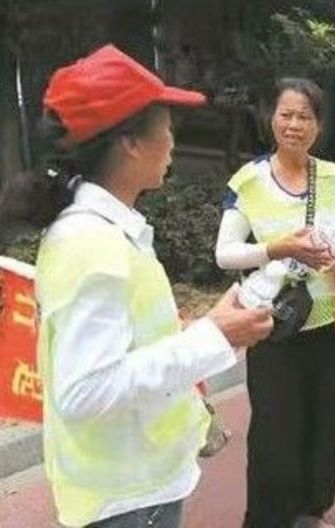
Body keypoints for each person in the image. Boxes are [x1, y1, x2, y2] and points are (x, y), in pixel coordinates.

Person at [0, 44, 274, 528]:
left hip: (133, 483)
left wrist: (207, 326)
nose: (172, 142)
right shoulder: (92, 243)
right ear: (130, 143)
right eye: (166, 129)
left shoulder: (103, 232)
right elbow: (85, 391)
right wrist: (214, 336)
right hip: (127, 500)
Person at [215, 78, 335, 528]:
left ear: (319, 125)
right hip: (272, 327)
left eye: (305, 117)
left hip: (326, 325)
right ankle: (267, 519)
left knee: (325, 429)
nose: (295, 125)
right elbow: (225, 254)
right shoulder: (249, 181)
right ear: (270, 119)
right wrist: (278, 249)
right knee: (275, 434)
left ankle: (310, 512)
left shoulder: (333, 177)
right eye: (286, 114)